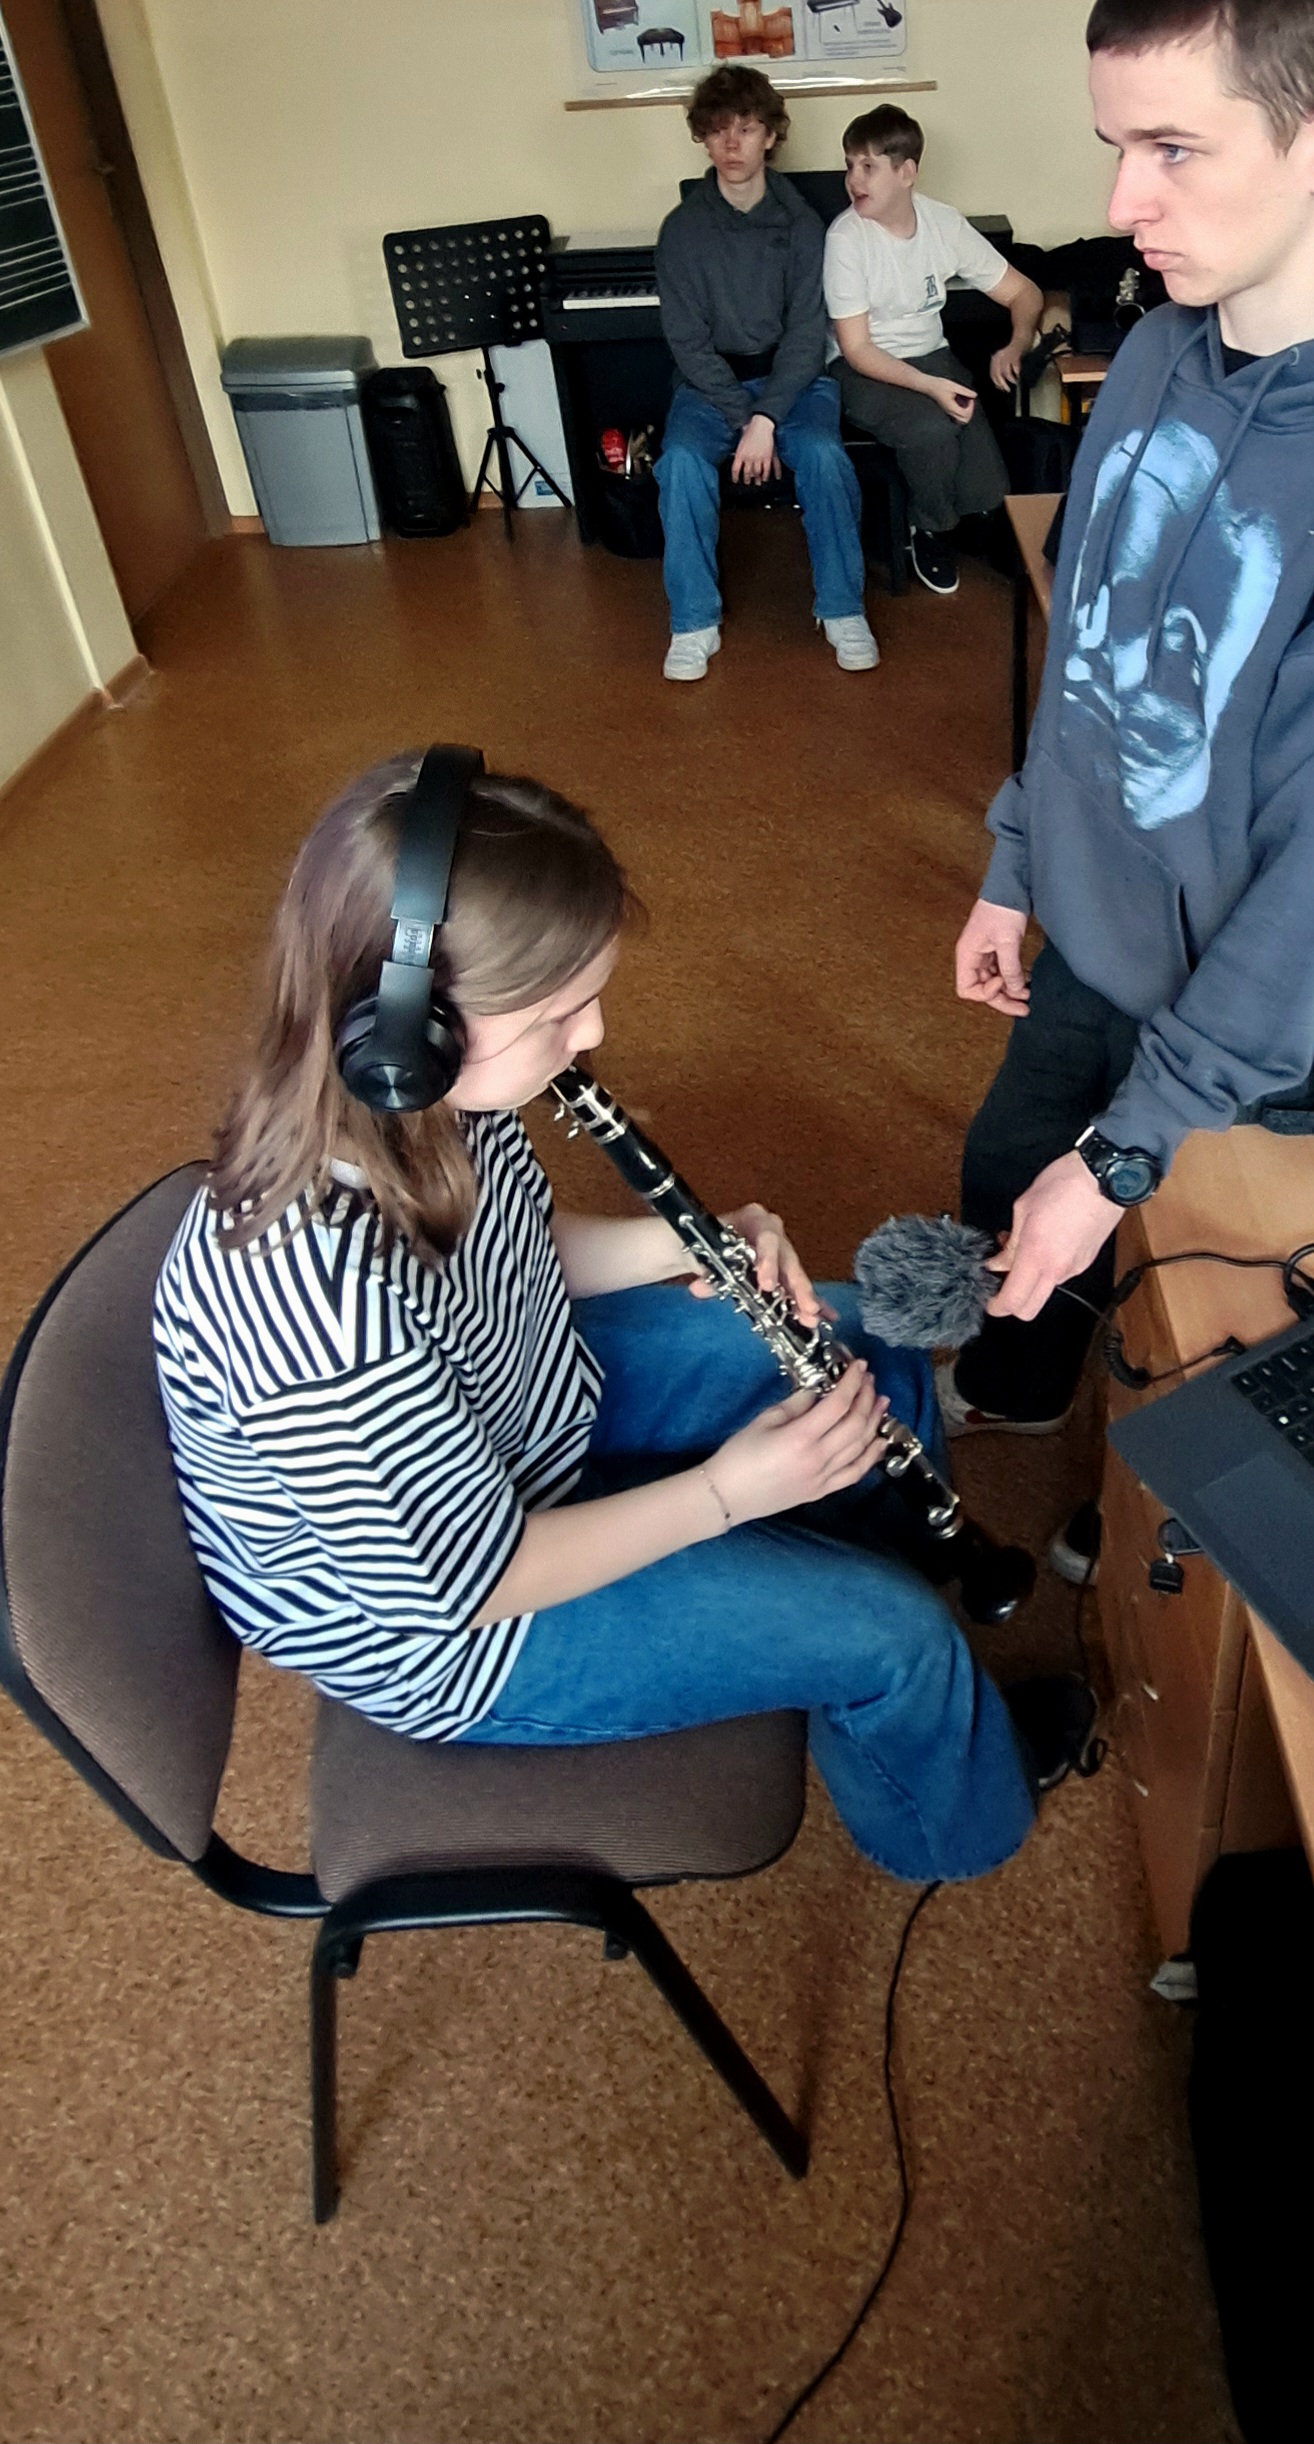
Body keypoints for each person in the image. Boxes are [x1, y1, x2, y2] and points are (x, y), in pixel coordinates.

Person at [153, 749, 1090, 1888]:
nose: (591, 1034)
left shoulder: (421, 1098)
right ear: (414, 1028)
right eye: (558, 1013)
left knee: (856, 1343)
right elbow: (475, 1580)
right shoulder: (318, 1317)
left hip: (514, 1407)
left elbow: (515, 1245)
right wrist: (727, 1494)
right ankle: (949, 1806)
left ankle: (865, 1579)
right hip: (462, 1623)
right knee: (892, 1637)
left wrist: (687, 1242)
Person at [943, 0, 1314, 1589]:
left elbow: (1304, 902)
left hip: (1250, 1034)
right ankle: (1021, 1390)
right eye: (1114, 148)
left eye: (1172, 148)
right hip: (1090, 942)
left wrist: (1125, 1154)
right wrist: (1016, 856)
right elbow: (1087, 642)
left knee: (1195, 1316)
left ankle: (1140, 1515)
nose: (1118, 204)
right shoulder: (1159, 341)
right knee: (1004, 1181)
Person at [654, 66, 879, 682]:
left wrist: (767, 418)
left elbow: (808, 335)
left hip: (792, 382)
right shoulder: (682, 230)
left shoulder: (803, 225)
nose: (732, 144)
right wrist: (744, 417)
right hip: (710, 389)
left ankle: (842, 609)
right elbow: (687, 343)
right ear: (703, 138)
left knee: (826, 458)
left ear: (771, 136)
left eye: (747, 129)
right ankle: (693, 622)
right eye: (719, 130)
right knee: (679, 464)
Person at [824, 106, 1043, 597]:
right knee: (931, 432)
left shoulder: (943, 222)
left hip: (931, 356)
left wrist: (1016, 344)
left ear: (906, 172)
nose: (853, 180)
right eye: (850, 165)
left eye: (868, 167)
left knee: (988, 485)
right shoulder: (846, 238)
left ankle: (964, 518)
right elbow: (856, 349)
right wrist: (930, 388)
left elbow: (1024, 293)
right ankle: (927, 529)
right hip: (862, 368)